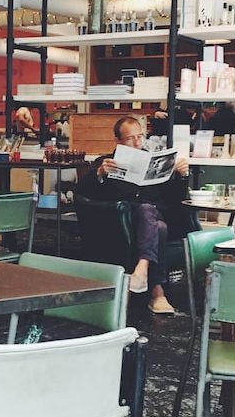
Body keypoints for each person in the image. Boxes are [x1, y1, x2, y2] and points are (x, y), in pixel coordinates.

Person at [76, 116, 193, 315]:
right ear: (119, 141)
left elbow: (175, 199)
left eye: (140, 137)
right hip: (120, 221)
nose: (138, 143)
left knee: (149, 211)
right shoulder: (105, 162)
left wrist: (182, 176)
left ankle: (140, 272)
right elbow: (83, 192)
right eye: (131, 138)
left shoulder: (153, 162)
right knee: (158, 228)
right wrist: (99, 174)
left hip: (153, 214)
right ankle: (157, 292)